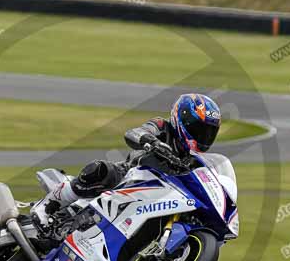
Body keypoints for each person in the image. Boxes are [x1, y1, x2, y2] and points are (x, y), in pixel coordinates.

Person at [31, 93, 224, 224]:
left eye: (208, 132)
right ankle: (46, 206)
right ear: (182, 119)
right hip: (128, 177)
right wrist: (152, 142)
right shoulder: (162, 126)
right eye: (199, 129)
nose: (203, 136)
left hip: (158, 198)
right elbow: (134, 133)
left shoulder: (193, 161)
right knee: (101, 169)